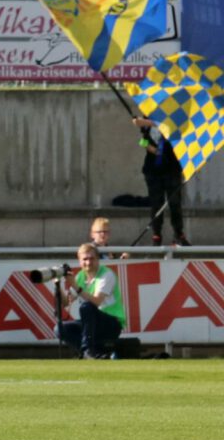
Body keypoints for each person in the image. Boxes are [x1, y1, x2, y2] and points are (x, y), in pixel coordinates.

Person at [57, 243, 126, 359]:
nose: (88, 262)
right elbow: (66, 303)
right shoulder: (80, 276)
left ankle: (87, 351)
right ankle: (92, 353)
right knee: (59, 328)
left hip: (111, 323)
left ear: (98, 259)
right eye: (85, 259)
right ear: (79, 261)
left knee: (86, 307)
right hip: (92, 324)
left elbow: (96, 302)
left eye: (92, 258)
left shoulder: (106, 274)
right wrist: (57, 284)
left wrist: (74, 285)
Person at [132, 117, 189, 246]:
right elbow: (143, 141)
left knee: (174, 203)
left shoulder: (171, 115)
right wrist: (152, 149)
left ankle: (178, 234)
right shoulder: (147, 120)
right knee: (156, 203)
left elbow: (170, 126)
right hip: (152, 170)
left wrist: (148, 122)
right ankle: (156, 235)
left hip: (171, 169)